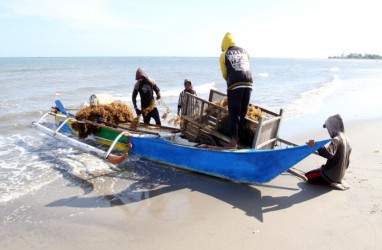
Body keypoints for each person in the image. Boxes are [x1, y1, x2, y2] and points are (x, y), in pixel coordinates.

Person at [219, 32, 253, 148]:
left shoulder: (224, 54)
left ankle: (233, 142)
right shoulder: (244, 51)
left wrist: (230, 82)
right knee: (242, 113)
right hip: (249, 82)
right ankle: (239, 139)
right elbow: (247, 65)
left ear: (224, 45)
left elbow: (224, 74)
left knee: (233, 113)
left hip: (235, 84)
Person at [305, 114, 352, 190]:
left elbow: (328, 154)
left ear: (332, 127)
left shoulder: (336, 139)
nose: (328, 131)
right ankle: (338, 180)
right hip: (340, 176)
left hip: (329, 176)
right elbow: (347, 162)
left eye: (328, 128)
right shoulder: (347, 139)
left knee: (306, 177)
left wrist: (317, 145)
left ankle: (330, 183)